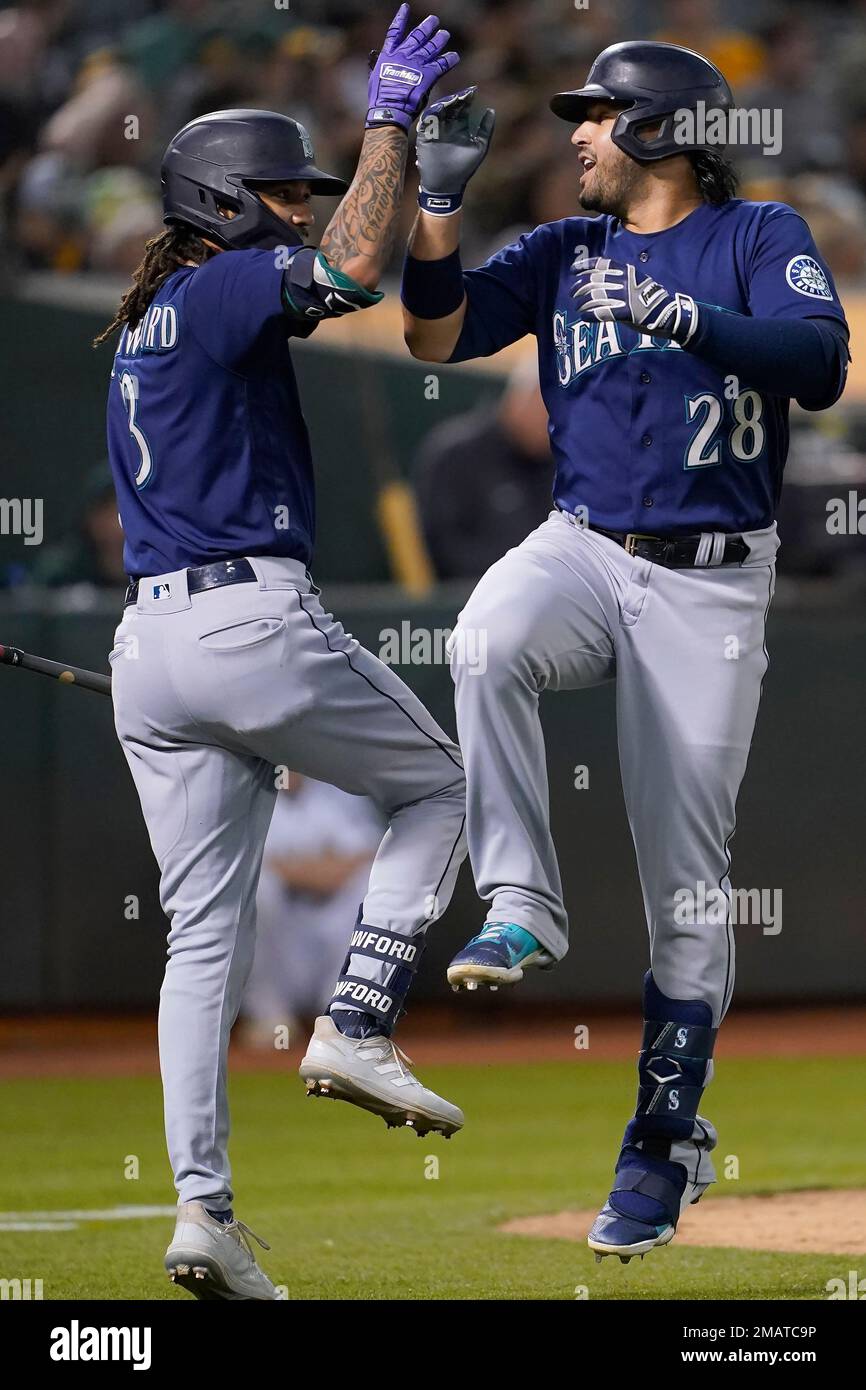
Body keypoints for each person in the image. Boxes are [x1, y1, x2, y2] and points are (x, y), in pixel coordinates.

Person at [401, 42, 849, 1265]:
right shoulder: (560, 249)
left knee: (689, 891)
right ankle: (520, 899)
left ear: (660, 127)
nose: (576, 137)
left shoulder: (756, 234)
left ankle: (663, 1134)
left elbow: (819, 363)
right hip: (585, 540)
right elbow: (434, 340)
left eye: (597, 116)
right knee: (486, 634)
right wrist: (431, 210)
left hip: (710, 581)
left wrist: (688, 317)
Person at [98, 7, 467, 1301]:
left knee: (199, 945)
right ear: (218, 198)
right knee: (441, 783)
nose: (300, 212)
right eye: (277, 192)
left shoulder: (155, 315)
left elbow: (352, 247)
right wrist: (389, 120)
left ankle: (203, 1212)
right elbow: (356, 271)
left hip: (154, 642)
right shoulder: (218, 282)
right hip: (247, 616)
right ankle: (356, 1021)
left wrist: (415, 170)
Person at [240, 775, 383, 1045]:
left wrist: (301, 868)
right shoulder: (249, 794)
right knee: (259, 889)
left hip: (330, 922)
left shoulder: (339, 790)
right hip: (282, 932)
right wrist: (316, 869)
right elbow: (249, 864)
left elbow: (367, 852)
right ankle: (270, 1017)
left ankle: (343, 1014)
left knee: (368, 884)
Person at [414, 355, 555, 579]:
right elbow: (444, 545)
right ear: (517, 401)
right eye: (545, 410)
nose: (550, 423)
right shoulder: (457, 456)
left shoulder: (560, 461)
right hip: (472, 599)